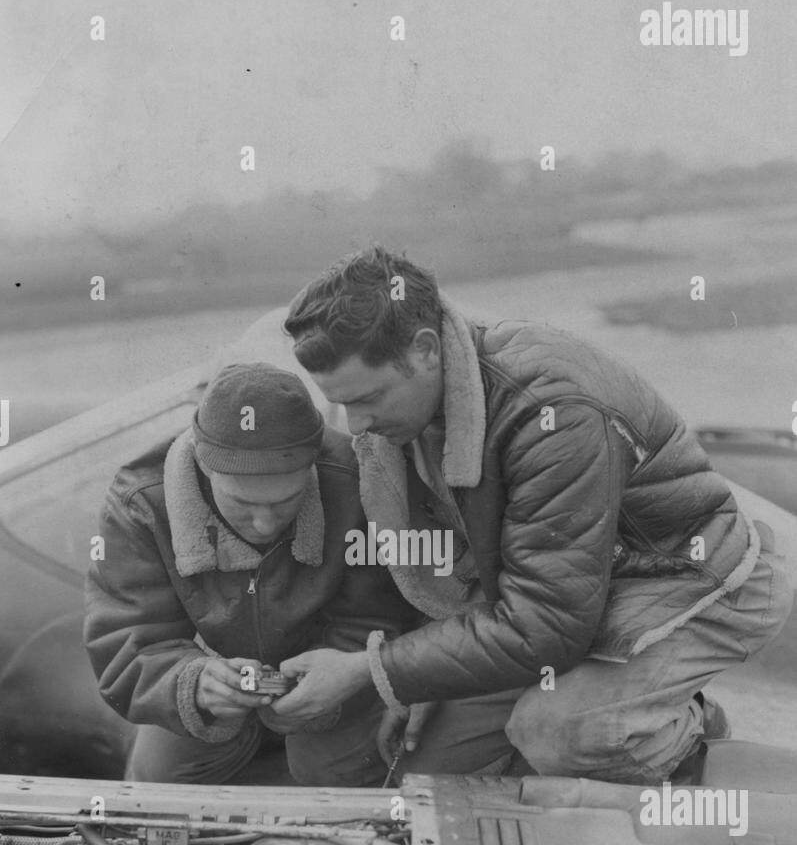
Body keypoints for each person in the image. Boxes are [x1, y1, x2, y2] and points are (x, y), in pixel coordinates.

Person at [267, 246, 794, 785]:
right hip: (562, 591)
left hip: (688, 580)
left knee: (557, 733)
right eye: (343, 404)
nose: (355, 426)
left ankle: (690, 732)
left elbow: (548, 626)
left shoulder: (552, 413)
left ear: (425, 350)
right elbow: (480, 570)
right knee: (419, 769)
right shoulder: (414, 411)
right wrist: (414, 678)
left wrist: (373, 668)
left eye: (369, 398)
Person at [84, 362, 418, 787]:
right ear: (204, 470)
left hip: (333, 677)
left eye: (286, 501)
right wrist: (193, 684)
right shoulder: (141, 504)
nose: (264, 524)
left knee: (348, 774)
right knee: (156, 779)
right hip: (203, 671)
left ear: (313, 467)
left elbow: (378, 615)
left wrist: (338, 681)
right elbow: (127, 638)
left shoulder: (356, 481)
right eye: (242, 503)